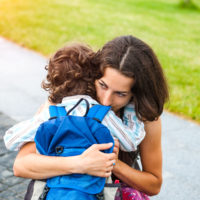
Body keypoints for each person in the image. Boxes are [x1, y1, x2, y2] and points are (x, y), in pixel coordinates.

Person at [4, 35, 168, 197]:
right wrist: (81, 163)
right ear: (95, 75)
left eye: (120, 94)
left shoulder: (144, 118)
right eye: (103, 85)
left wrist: (112, 163)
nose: (106, 101)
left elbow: (153, 185)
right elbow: (21, 165)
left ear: (136, 94)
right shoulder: (68, 104)